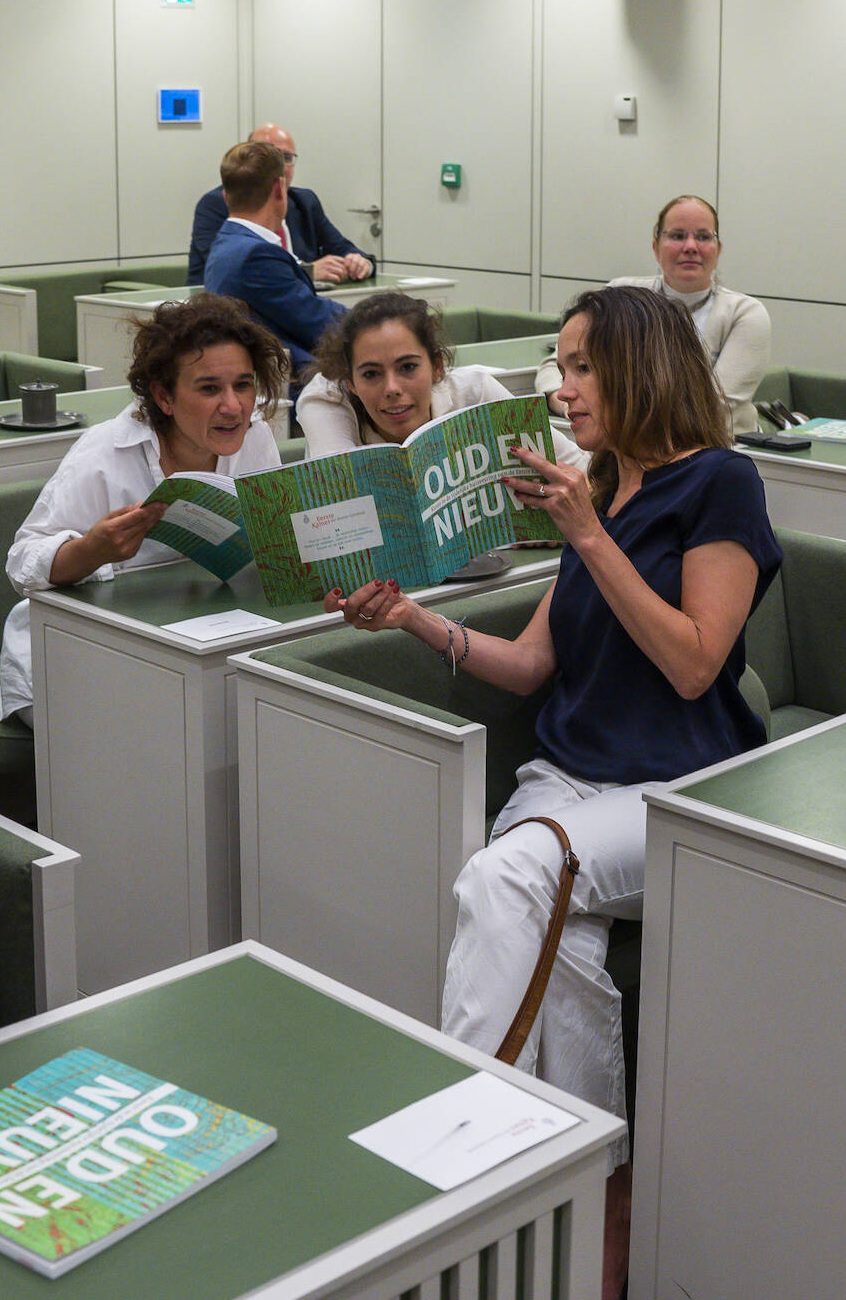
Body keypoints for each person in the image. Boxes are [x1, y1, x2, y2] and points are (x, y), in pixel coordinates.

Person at [326, 285, 780, 1295]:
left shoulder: (719, 485)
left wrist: (586, 533)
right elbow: (533, 667)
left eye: (580, 368)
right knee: (551, 937)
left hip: (676, 792)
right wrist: (410, 619)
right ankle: (594, 1206)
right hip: (565, 778)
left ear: (637, 371)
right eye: (559, 367)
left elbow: (697, 664)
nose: (560, 388)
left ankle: (451, 1167)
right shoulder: (604, 485)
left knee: (505, 880)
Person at [0, 292, 288, 725]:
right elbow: (21, 564)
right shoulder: (103, 453)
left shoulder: (256, 437)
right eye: (209, 388)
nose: (234, 406)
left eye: (243, 384)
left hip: (197, 638)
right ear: (164, 398)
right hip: (78, 651)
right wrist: (91, 550)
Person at [536, 194, 771, 434]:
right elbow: (554, 370)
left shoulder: (746, 314)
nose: (690, 247)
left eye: (703, 237)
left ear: (718, 249)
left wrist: (600, 410)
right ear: (655, 247)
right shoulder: (619, 295)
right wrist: (566, 405)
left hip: (716, 448)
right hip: (621, 442)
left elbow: (711, 406)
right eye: (678, 236)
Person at [297, 291, 587, 470]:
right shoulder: (326, 401)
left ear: (437, 367)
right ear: (350, 382)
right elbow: (335, 497)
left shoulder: (474, 390)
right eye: (371, 374)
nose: (392, 389)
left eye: (408, 367)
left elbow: (577, 466)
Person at [202, 141, 348, 373]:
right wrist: (380, 319)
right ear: (280, 188)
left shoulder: (225, 243)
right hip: (294, 383)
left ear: (226, 197)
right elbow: (318, 321)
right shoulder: (257, 256)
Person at [187, 123, 375, 286]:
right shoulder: (216, 203)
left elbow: (341, 247)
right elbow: (237, 268)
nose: (280, 166)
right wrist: (307, 271)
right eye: (271, 156)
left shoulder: (304, 202)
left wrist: (362, 263)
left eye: (287, 158)